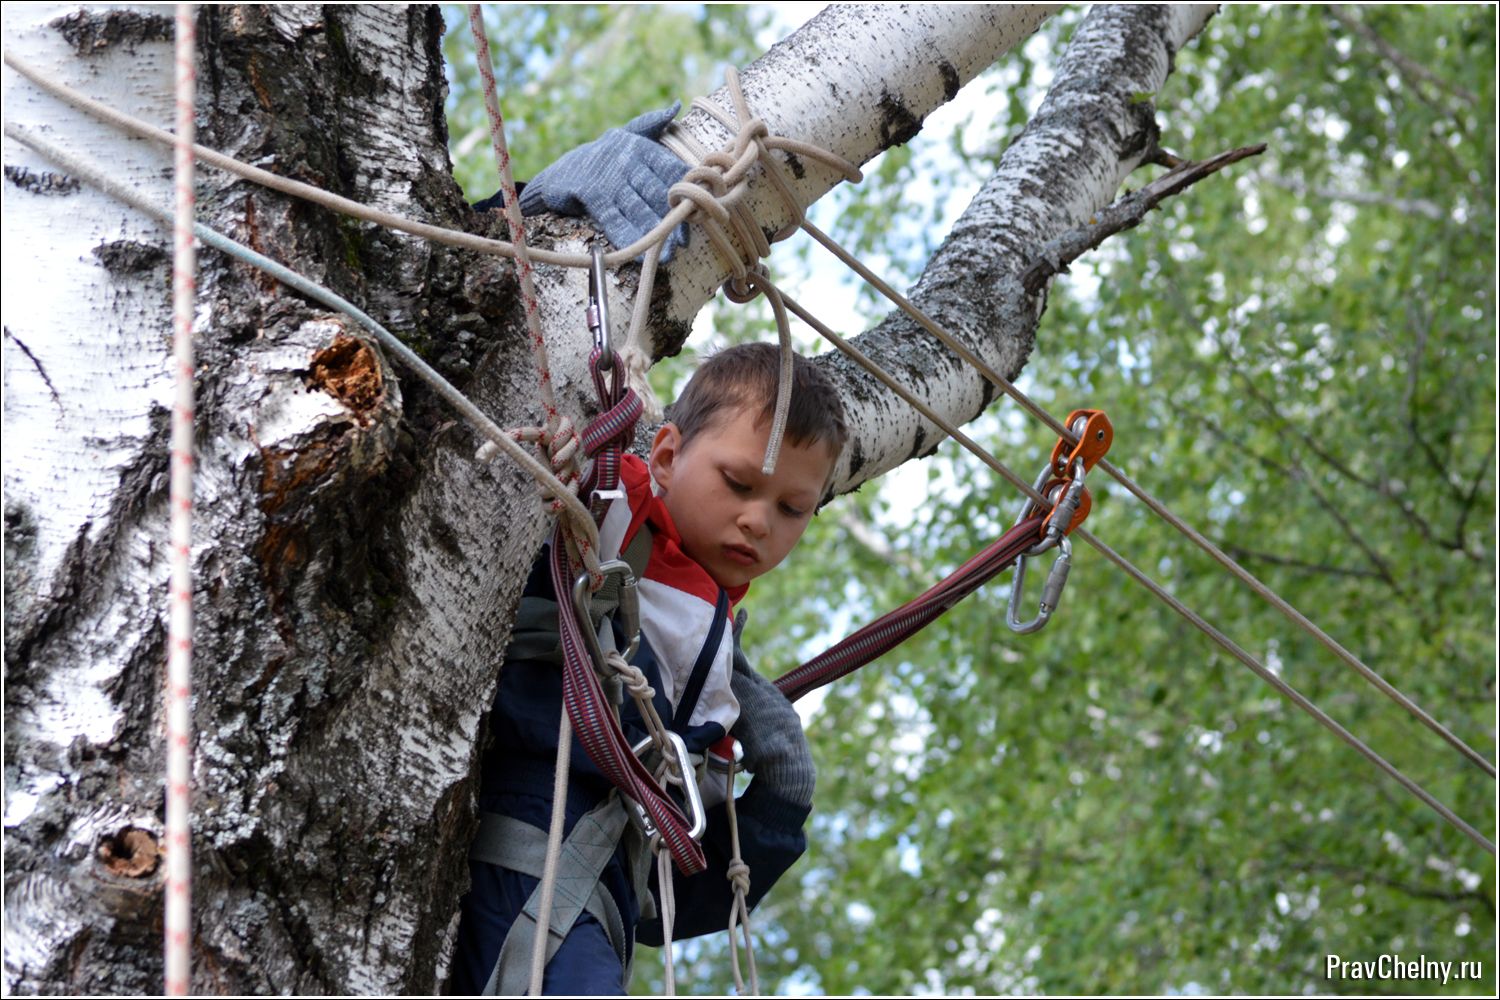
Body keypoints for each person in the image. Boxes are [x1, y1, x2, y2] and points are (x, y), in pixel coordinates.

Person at [450, 342, 849, 995]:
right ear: (666, 457)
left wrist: (779, 806)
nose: (758, 521)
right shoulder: (617, 509)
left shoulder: (712, 660)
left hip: (601, 890)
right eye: (738, 483)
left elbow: (676, 899)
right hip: (530, 840)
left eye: (791, 509)